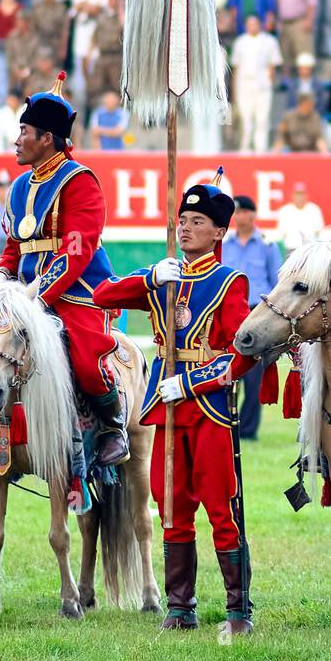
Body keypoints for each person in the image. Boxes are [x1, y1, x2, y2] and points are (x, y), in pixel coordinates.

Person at [93, 175, 257, 635]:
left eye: (198, 221)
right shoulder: (165, 276)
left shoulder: (230, 281)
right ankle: (180, 606)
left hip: (207, 410)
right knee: (171, 507)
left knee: (222, 507)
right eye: (182, 220)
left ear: (219, 231)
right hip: (167, 413)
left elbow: (241, 353)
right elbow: (103, 295)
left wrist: (189, 383)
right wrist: (150, 277)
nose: (185, 228)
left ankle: (237, 609)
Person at [0, 73, 130, 468]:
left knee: (84, 358)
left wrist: (35, 298)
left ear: (47, 138)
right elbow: (15, 246)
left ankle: (114, 427)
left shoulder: (81, 183)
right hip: (24, 294)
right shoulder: (18, 187)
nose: (17, 139)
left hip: (76, 292)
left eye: (24, 130)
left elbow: (77, 252)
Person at [221, 196, 282, 442]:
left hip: (258, 313)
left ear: (253, 215)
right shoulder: (224, 244)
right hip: (229, 313)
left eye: (243, 211)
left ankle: (247, 430)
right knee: (226, 370)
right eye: (236, 212)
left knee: (254, 375)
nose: (239, 216)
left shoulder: (267, 245)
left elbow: (276, 283)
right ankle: (226, 425)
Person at [230, 14, 283, 153]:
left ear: (260, 25)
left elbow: (273, 64)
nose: (252, 26)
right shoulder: (240, 42)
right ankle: (245, 148)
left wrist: (268, 82)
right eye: (249, 24)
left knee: (262, 119)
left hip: (262, 85)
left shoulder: (270, 41)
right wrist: (235, 90)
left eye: (255, 23)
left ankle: (261, 150)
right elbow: (236, 67)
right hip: (244, 84)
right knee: (246, 120)